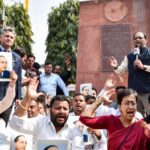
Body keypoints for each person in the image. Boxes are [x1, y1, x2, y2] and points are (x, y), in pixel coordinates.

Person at [9, 78, 84, 150]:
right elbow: (14, 123)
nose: (61, 111)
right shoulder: (39, 123)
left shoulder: (74, 130)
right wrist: (27, 98)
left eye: (65, 109)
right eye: (57, 108)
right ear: (50, 110)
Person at [80, 88, 150, 149]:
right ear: (119, 106)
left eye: (133, 103)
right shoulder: (110, 120)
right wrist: (100, 100)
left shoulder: (142, 126)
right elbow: (84, 118)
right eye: (127, 103)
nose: (130, 107)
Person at [109, 31, 150, 117]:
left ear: (146, 40)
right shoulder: (129, 56)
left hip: (148, 92)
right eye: (135, 38)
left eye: (140, 38)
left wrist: (143, 67)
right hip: (134, 93)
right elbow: (121, 70)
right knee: (138, 118)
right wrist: (116, 66)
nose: (137, 39)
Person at [0, 26, 22, 125]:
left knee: (4, 124)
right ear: (1, 38)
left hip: (9, 96)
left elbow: (19, 79)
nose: (9, 38)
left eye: (11, 37)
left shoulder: (17, 58)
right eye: (6, 36)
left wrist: (18, 97)